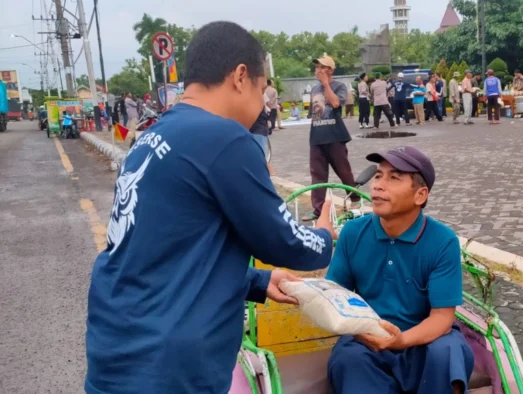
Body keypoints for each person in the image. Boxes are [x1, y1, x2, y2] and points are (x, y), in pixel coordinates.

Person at [85, 21, 338, 394]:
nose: (262, 103)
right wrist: (326, 235)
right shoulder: (223, 137)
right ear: (240, 76)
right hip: (168, 365)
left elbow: (169, 250)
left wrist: (260, 281)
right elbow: (284, 241)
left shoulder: (154, 134)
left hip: (117, 349)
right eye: (262, 87)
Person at [326, 146, 474, 394]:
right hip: (369, 339)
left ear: (420, 195)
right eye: (378, 176)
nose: (378, 185)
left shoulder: (442, 241)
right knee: (349, 358)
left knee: (447, 351)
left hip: (424, 337)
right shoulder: (352, 234)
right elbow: (334, 296)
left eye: (394, 178)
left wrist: (401, 340)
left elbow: (442, 318)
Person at [303, 54, 362, 221]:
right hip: (317, 136)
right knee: (317, 174)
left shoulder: (339, 86)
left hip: (335, 136)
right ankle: (318, 209)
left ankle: (355, 198)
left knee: (344, 171)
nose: (318, 70)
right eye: (317, 67)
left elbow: (336, 104)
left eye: (322, 67)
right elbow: (313, 113)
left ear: (330, 70)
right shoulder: (314, 89)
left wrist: (326, 84)